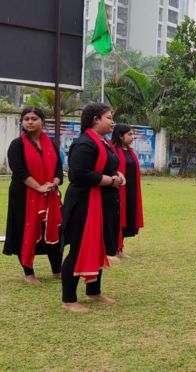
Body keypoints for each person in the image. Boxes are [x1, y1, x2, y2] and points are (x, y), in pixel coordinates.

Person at [61, 103, 125, 312]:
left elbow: (111, 166)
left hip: (100, 203)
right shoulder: (84, 143)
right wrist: (108, 180)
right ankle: (69, 299)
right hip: (84, 205)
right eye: (108, 117)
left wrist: (118, 176)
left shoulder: (103, 142)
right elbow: (77, 174)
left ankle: (93, 292)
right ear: (95, 119)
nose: (112, 122)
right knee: (78, 249)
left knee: (97, 245)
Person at [3, 107, 63, 284]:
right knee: (25, 230)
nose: (30, 122)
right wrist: (39, 187)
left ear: (42, 121)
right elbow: (19, 171)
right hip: (24, 195)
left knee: (54, 229)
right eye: (26, 118)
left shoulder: (51, 144)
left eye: (34, 118)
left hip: (50, 194)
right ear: (22, 122)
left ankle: (57, 271)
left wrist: (54, 183)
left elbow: (59, 169)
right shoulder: (17, 145)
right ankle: (29, 273)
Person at [111, 124, 144, 259]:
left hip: (130, 191)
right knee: (116, 219)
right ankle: (112, 249)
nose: (132, 137)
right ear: (120, 136)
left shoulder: (129, 151)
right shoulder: (113, 151)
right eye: (129, 134)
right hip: (118, 191)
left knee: (126, 218)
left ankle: (120, 248)